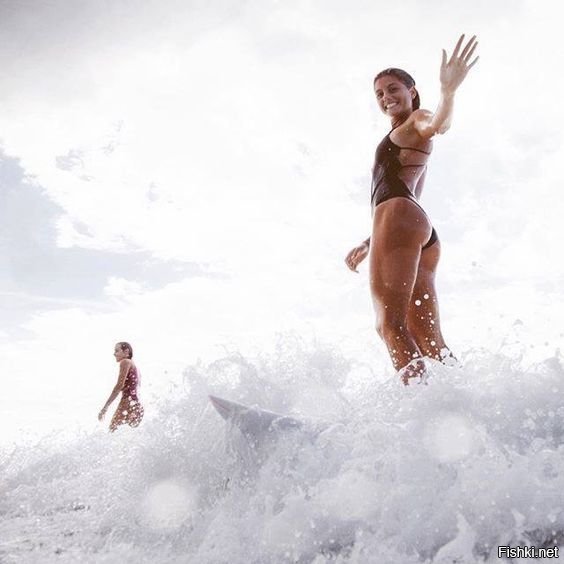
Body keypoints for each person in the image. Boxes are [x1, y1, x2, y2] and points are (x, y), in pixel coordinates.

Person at [345, 35, 479, 384]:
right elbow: (412, 191)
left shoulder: (417, 119)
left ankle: (419, 403)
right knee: (428, 339)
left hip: (399, 218)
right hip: (415, 225)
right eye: (379, 94)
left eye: (393, 89)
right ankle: (466, 398)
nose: (386, 97)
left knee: (389, 324)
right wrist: (370, 241)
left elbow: (437, 126)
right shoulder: (404, 137)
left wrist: (448, 91)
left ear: (412, 91)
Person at [98, 342, 144, 431]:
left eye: (117, 351)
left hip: (128, 402)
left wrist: (105, 408)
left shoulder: (125, 362)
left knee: (113, 431)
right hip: (137, 405)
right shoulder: (135, 367)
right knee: (127, 435)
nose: (114, 354)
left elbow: (119, 386)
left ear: (126, 351)